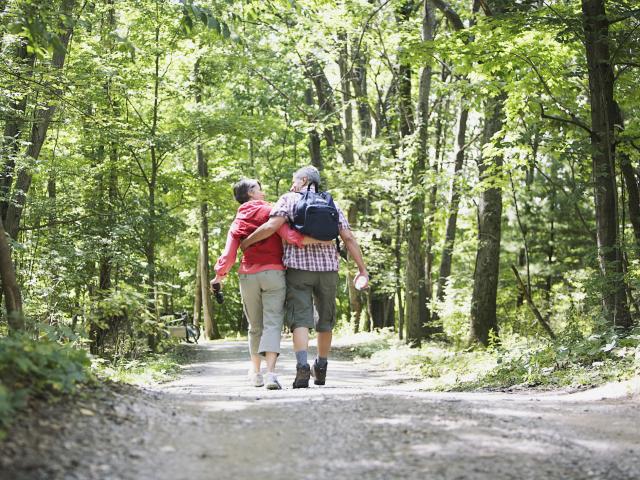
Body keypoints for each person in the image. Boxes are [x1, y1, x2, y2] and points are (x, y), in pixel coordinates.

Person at [240, 166, 369, 388]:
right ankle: (321, 367)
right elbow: (347, 237)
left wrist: (247, 242)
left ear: (304, 180)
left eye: (294, 180)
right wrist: (362, 269)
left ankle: (302, 366)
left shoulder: (288, 199)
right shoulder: (332, 203)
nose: (292, 184)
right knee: (325, 320)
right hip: (328, 270)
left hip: (298, 270)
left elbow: (272, 226)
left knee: (300, 319)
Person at [211, 178, 328, 390]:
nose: (263, 192)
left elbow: (229, 255)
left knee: (255, 326)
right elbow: (291, 237)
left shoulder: (238, 220)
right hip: (274, 273)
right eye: (259, 189)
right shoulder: (272, 212)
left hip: (248, 275)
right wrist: (322, 240)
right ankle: (271, 375)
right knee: (272, 323)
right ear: (250, 193)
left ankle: (255, 373)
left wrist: (219, 277)